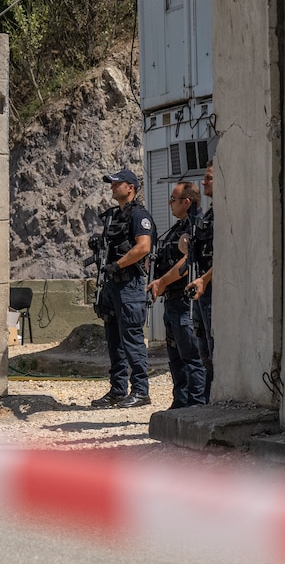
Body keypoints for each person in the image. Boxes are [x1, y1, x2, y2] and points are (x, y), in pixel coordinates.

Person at [91, 169, 156, 409]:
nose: (112, 187)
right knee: (114, 340)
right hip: (112, 285)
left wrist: (117, 265)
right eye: (111, 183)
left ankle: (140, 390)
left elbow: (143, 247)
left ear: (130, 187)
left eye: (117, 183)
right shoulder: (113, 216)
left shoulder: (139, 215)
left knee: (132, 339)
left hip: (129, 284)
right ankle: (118, 390)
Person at [146, 182, 207, 408]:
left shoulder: (194, 228)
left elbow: (186, 263)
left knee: (192, 357)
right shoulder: (176, 229)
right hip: (171, 301)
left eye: (173, 199)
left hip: (184, 301)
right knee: (175, 356)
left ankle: (195, 405)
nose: (169, 204)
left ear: (186, 202)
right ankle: (180, 403)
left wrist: (162, 281)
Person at [186, 161, 215, 401]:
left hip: (214, 290)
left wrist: (204, 280)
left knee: (214, 350)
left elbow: (225, 257)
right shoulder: (208, 215)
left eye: (209, 178)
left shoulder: (224, 215)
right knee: (203, 349)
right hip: (202, 291)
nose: (203, 182)